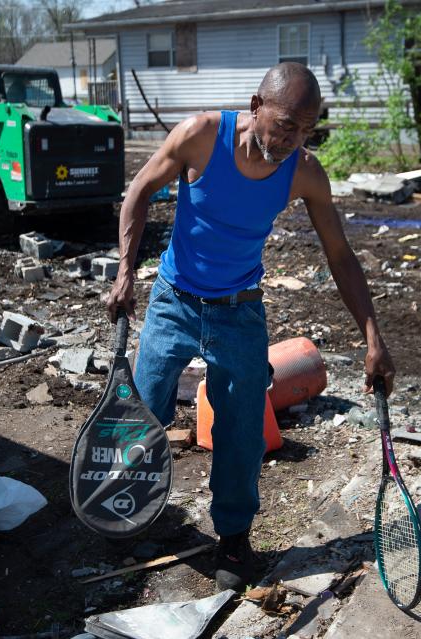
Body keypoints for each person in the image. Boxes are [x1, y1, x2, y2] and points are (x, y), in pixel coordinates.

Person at [106, 62, 396, 591]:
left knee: (241, 430)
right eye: (285, 124)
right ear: (256, 104)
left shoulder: (304, 171)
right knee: (143, 409)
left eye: (306, 129)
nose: (292, 139)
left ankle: (234, 537)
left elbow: (340, 255)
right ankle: (129, 505)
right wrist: (125, 274)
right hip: (174, 298)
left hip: (239, 310)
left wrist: (373, 337)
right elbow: (138, 193)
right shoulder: (201, 136)